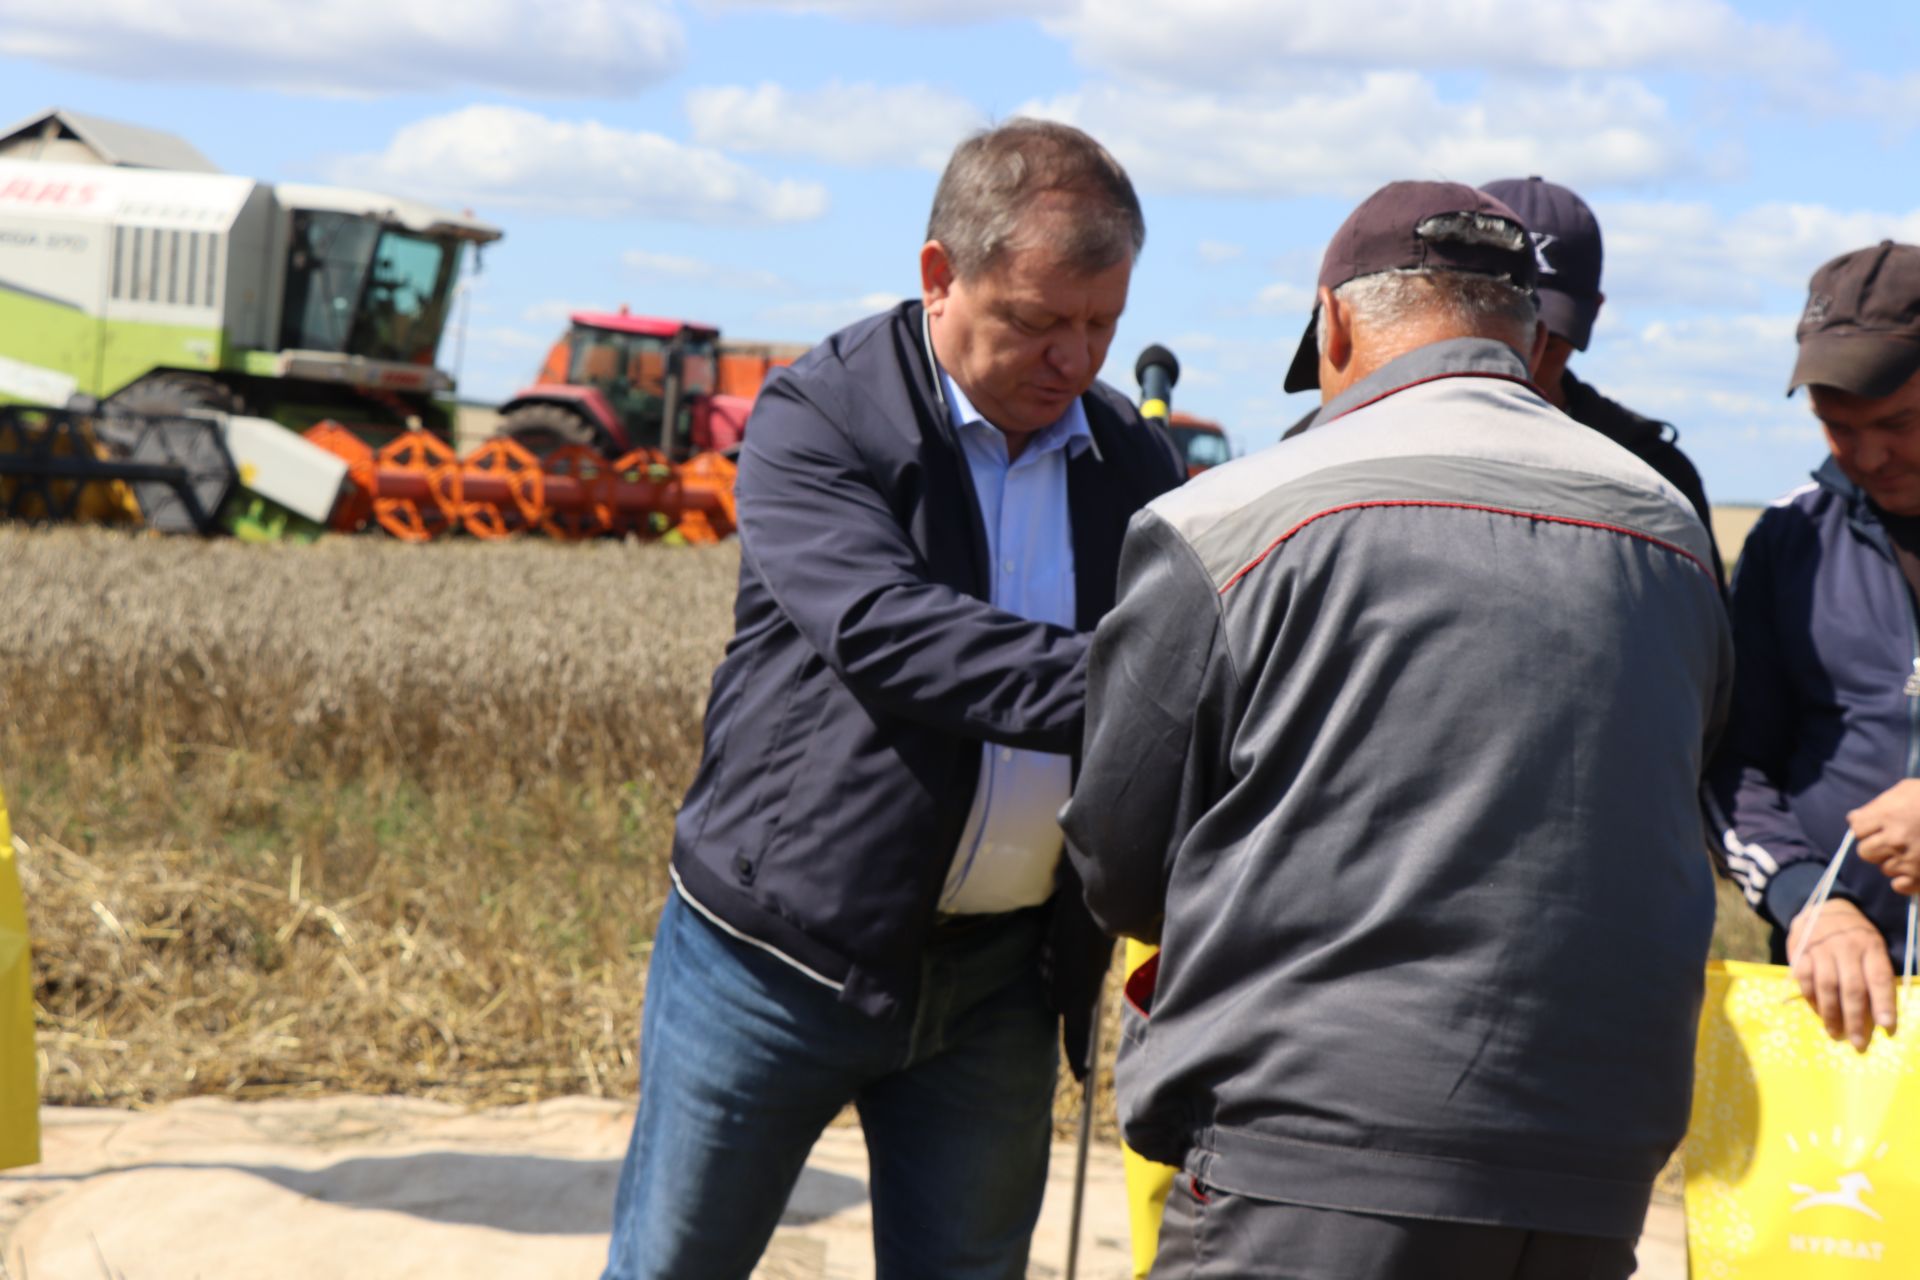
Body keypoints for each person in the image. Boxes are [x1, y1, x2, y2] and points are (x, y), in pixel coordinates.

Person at [1061, 180, 1730, 1279]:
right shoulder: (1668, 528)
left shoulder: (1222, 520)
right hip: (1595, 1167)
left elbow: (1121, 864)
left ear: (1333, 323)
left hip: (1305, 1159)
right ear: (1526, 334)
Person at [600, 119, 1183, 1280]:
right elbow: (889, 635)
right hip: (773, 959)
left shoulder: (1131, 458)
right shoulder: (820, 416)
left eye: (1100, 325)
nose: (1074, 359)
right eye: (1036, 322)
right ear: (938, 276)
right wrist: (1151, 691)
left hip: (1004, 986)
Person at [1705, 240, 1920, 1054]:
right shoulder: (1787, 540)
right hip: (1836, 1017)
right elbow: (1733, 763)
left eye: (1897, 423)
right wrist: (1808, 902)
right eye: (1837, 427)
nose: (1867, 456)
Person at [1480, 176, 1724, 588]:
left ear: (1592, 313)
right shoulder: (1387, 443)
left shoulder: (1655, 472)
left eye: (1551, 340)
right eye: (1503, 332)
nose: (1528, 357)